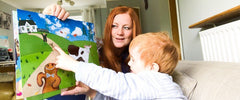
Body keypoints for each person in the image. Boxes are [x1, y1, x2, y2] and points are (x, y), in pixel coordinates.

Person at [42, 4, 141, 99]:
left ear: (134, 31)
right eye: (114, 26)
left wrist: (92, 92)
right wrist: (48, 17)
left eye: (126, 28)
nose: (119, 32)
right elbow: (56, 47)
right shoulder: (95, 47)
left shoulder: (139, 62)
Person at [54, 32, 187, 99]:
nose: (129, 63)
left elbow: (115, 83)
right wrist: (91, 91)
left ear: (153, 68)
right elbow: (119, 95)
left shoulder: (157, 81)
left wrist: (74, 65)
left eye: (133, 60)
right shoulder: (149, 86)